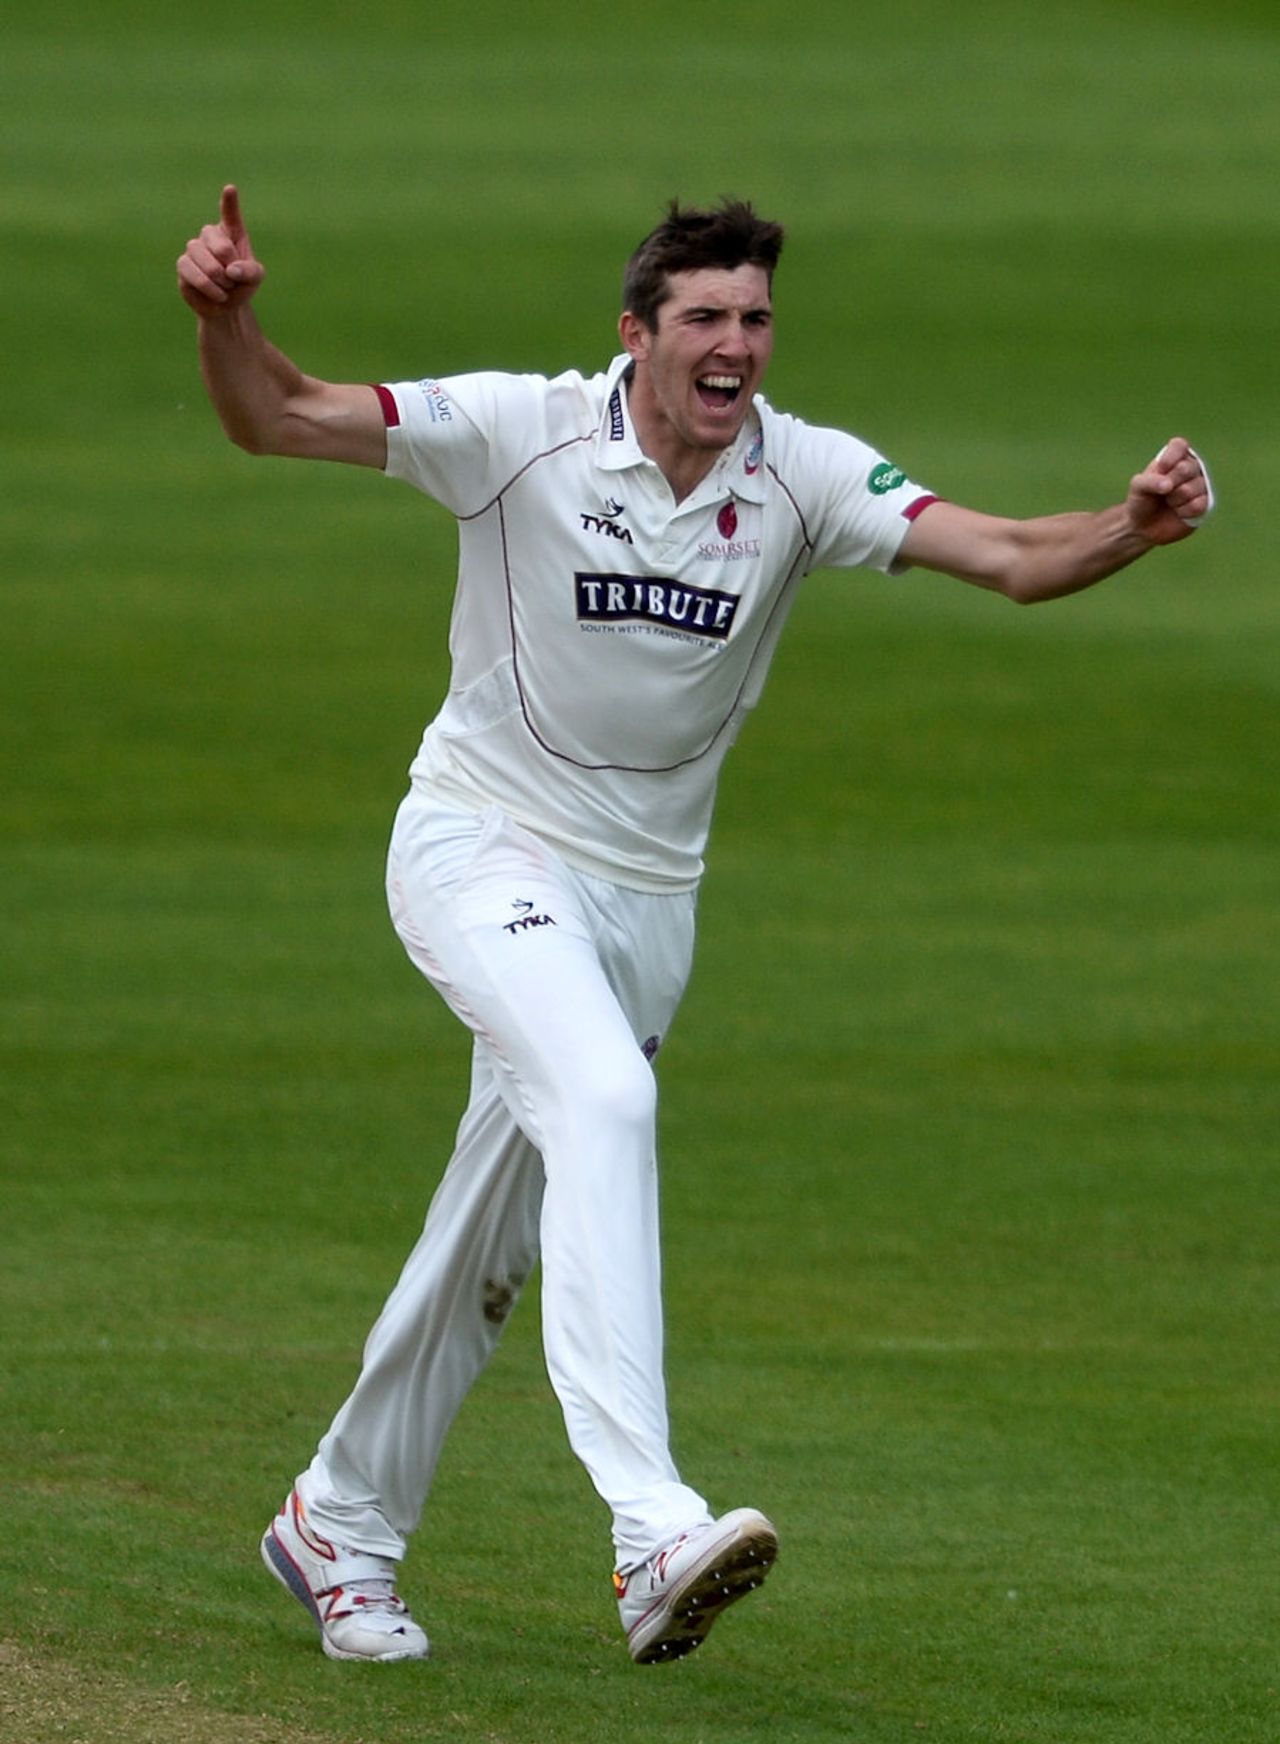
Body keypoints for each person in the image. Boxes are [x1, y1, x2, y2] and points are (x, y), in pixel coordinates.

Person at [176, 186, 1213, 1667]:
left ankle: (336, 1519)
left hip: (647, 910)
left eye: (757, 320)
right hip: (481, 846)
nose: (737, 346)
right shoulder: (520, 428)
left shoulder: (803, 474)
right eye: (707, 318)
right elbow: (278, 416)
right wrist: (228, 320)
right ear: (637, 334)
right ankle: (650, 1525)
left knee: (488, 1247)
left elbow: (1008, 554)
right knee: (607, 1097)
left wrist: (1132, 526)